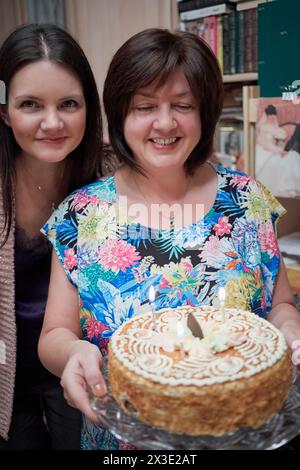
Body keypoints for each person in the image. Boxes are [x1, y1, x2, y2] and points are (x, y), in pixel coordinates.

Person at [38, 28, 300, 450]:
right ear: (120, 114)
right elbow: (54, 333)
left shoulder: (247, 199)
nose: (165, 123)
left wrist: (291, 335)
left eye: (183, 105)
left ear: (206, 113)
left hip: (243, 434)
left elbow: (281, 305)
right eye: (145, 106)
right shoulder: (80, 214)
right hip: (122, 443)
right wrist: (71, 354)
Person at [0, 23, 105, 449]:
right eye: (30, 104)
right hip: (8, 374)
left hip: (86, 368)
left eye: (68, 103)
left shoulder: (116, 176)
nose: (52, 122)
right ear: (4, 112)